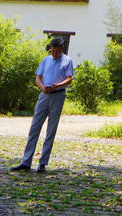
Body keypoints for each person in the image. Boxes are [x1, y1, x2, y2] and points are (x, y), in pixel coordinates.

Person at [10, 36, 74, 172]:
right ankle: (26, 161)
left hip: (58, 95)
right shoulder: (46, 60)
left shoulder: (67, 61)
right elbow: (37, 78)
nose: (54, 54)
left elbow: (69, 79)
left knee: (51, 129)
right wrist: (42, 87)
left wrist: (57, 85)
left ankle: (43, 162)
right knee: (34, 127)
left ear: (62, 49)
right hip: (44, 94)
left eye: (56, 51)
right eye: (52, 51)